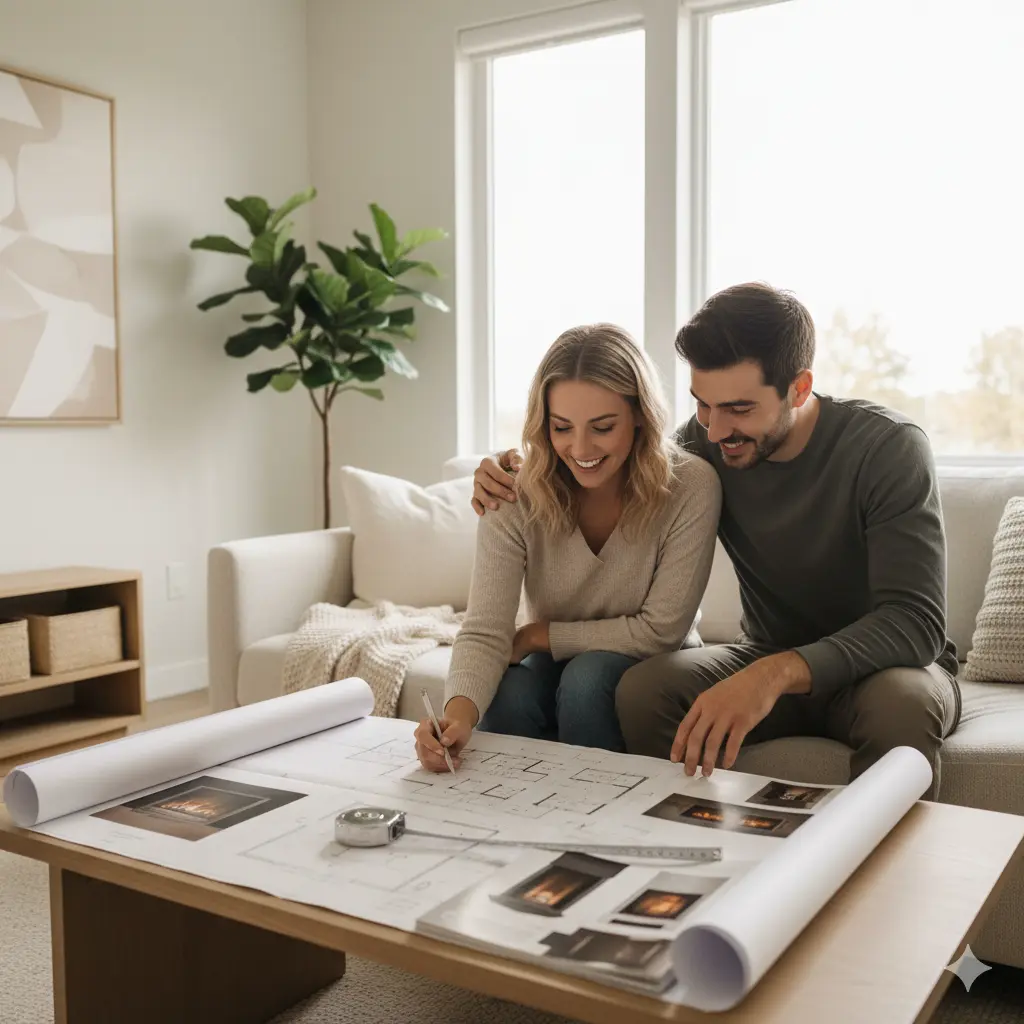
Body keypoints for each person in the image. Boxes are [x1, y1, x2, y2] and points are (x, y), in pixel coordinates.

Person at [471, 284, 961, 800]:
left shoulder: (888, 448)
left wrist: (774, 674)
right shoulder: (705, 447)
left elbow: (916, 622)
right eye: (703, 404)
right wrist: (512, 470)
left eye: (739, 408)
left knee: (902, 705)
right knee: (642, 690)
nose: (716, 429)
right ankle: (666, 836)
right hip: (763, 653)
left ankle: (879, 852)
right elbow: (616, 461)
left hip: (885, 670)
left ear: (798, 388)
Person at [414, 323, 721, 772]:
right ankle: (511, 808)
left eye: (603, 427)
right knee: (509, 692)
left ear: (640, 415)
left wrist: (537, 635)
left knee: (586, 680)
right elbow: (485, 629)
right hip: (554, 663)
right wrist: (454, 719)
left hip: (655, 661)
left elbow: (660, 631)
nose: (580, 448)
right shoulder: (511, 491)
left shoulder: (690, 485)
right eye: (562, 427)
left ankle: (606, 808)